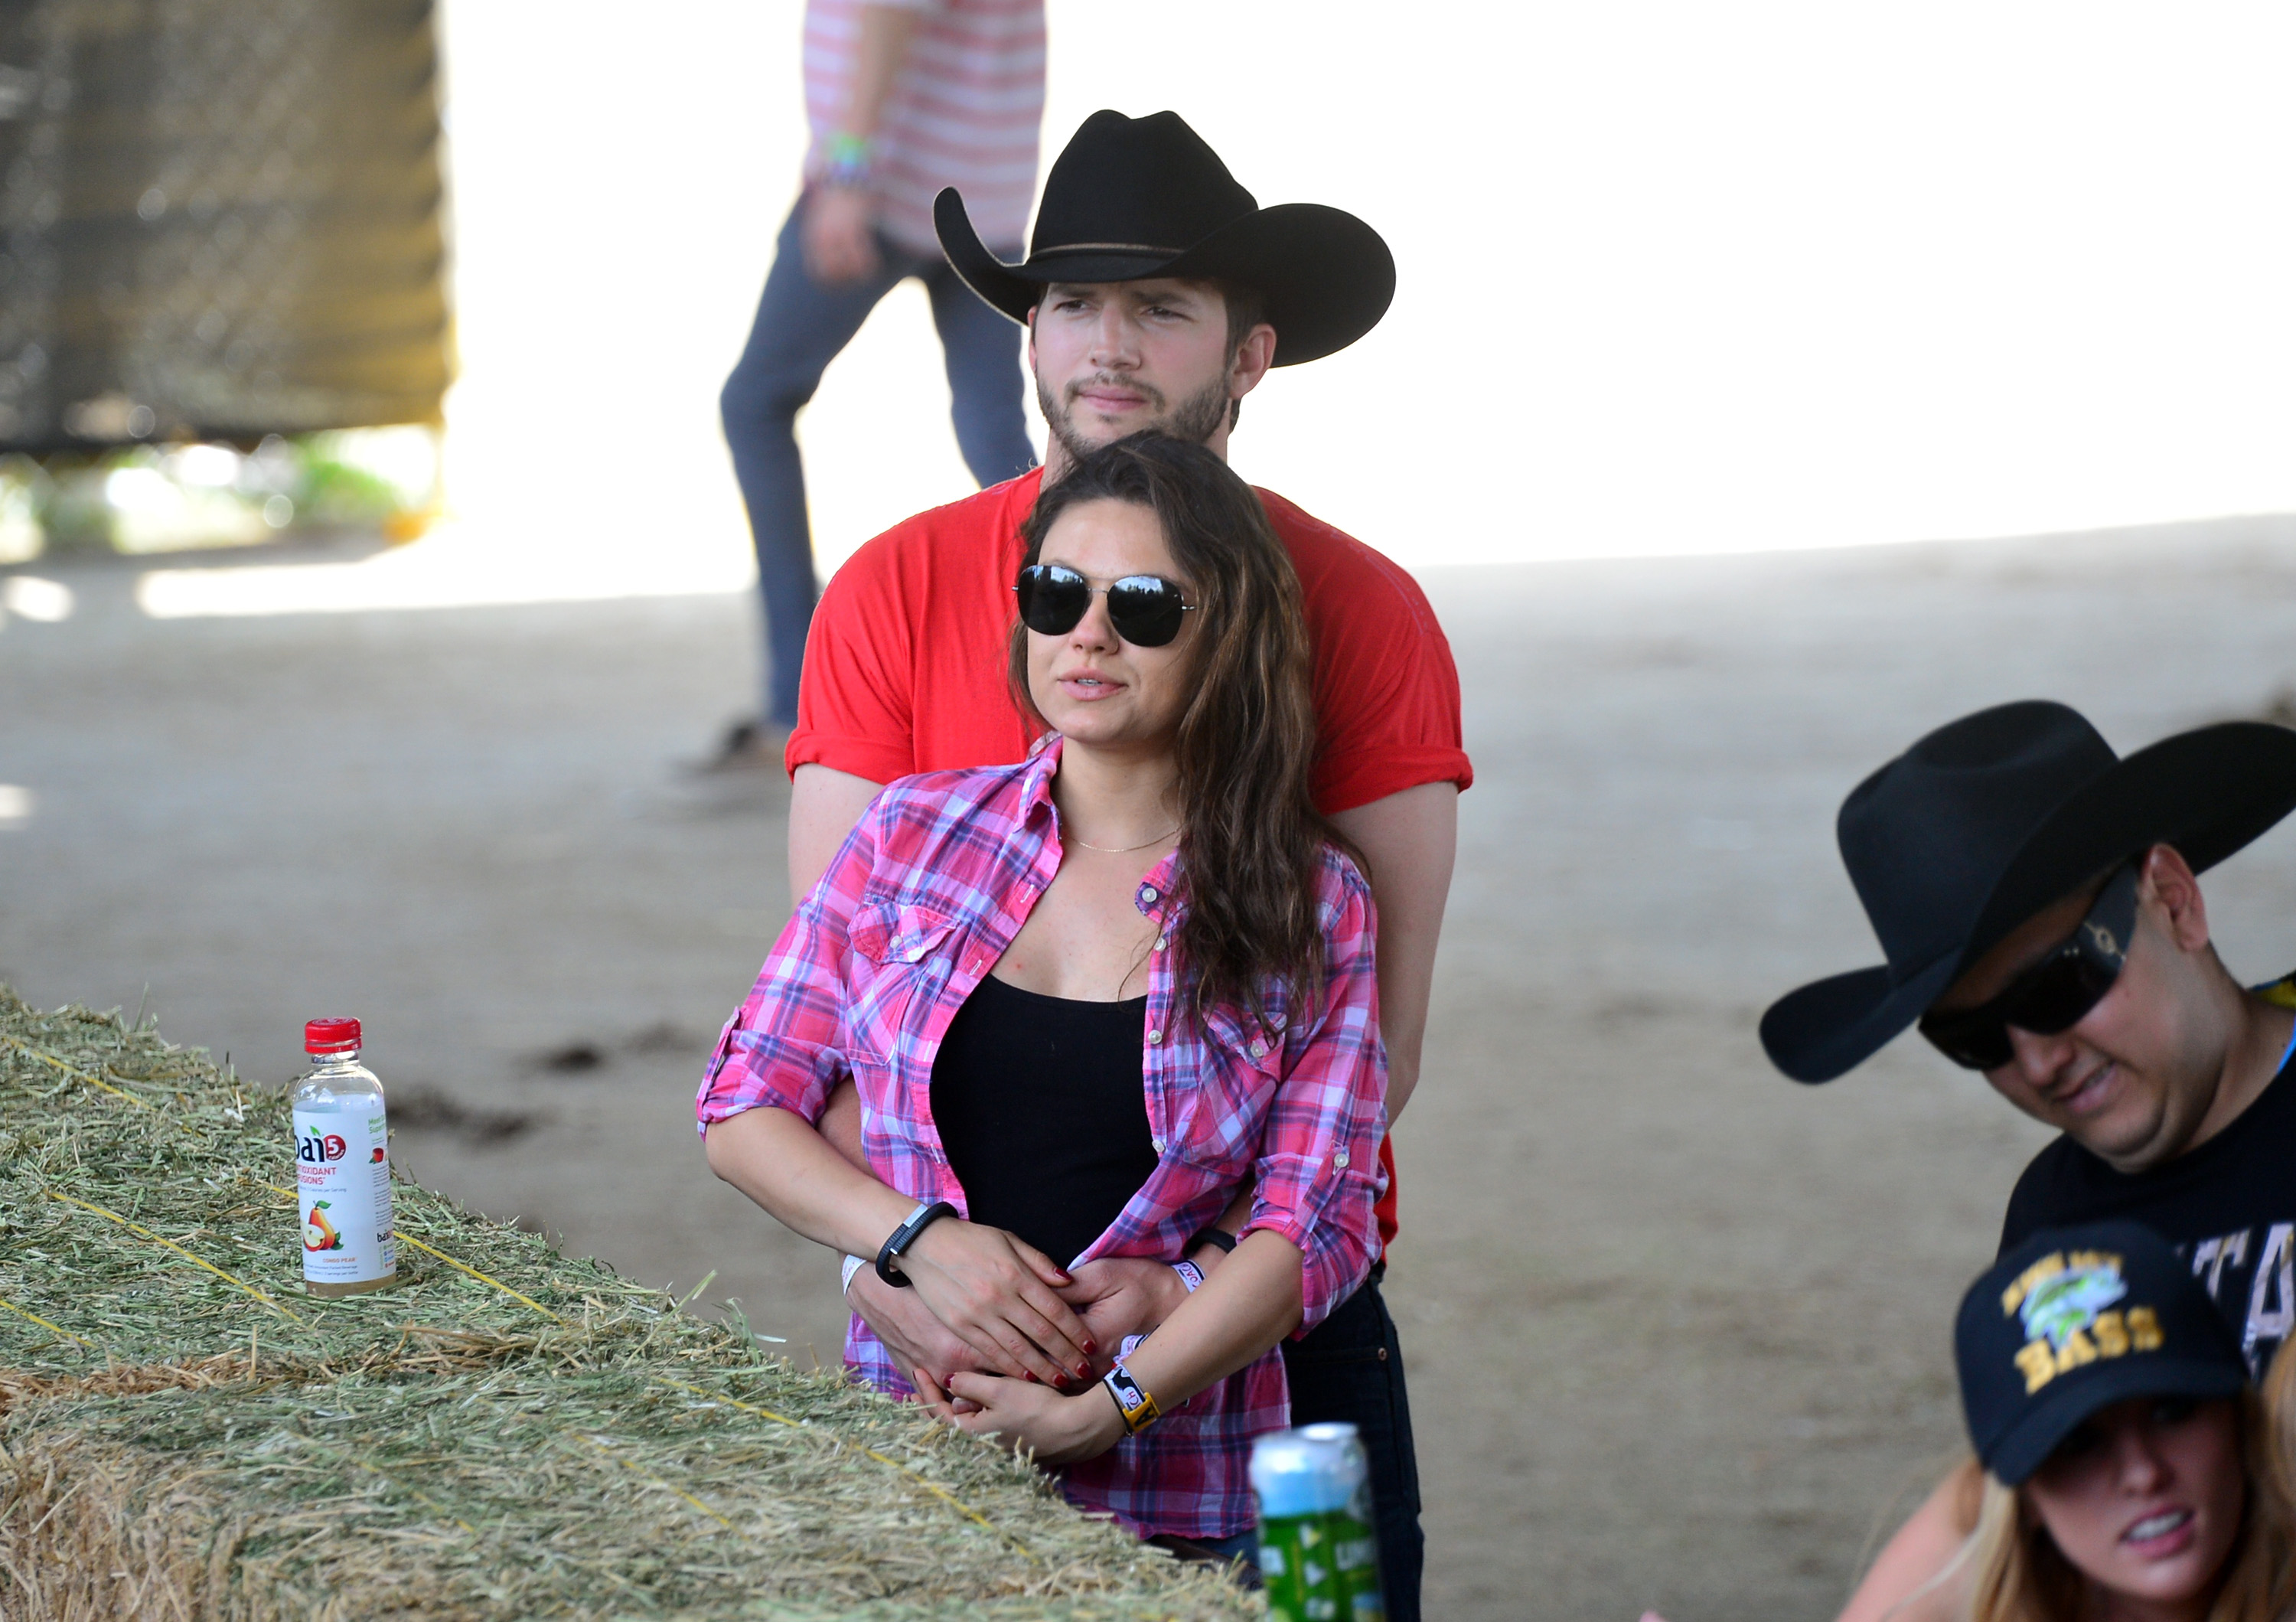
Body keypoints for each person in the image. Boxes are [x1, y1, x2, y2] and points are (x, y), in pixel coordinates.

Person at [783, 109, 1466, 1614]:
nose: (1109, 343)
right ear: (1027, 336)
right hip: (935, 1333)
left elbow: (1374, 1039)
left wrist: (1196, 1283)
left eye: (1163, 307)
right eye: (1073, 301)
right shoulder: (890, 590)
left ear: (1250, 352)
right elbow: (827, 1040)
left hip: (1267, 1333)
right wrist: (890, 1271)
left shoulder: (1364, 608)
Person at [699, 433, 1388, 1560]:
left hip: (1180, 1499)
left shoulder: (1314, 899)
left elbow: (1311, 1220)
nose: (1090, 632)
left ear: (1232, 632)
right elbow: (743, 1099)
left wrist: (1102, 1409)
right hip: (909, 1473)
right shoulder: (911, 833)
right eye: (1057, 590)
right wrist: (913, 1240)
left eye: (1148, 603)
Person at [1758, 700, 2296, 1620]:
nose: (2037, 1059)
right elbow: (1999, 1522)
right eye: (1974, 1038)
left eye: (2059, 985)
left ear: (2175, 898)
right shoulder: (2055, 1220)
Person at [710, 0, 1044, 765]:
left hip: (890, 186)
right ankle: (1071, 663)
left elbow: (889, 11)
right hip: (986, 189)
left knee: (755, 404)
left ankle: (796, 703)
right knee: (999, 435)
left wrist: (848, 170)